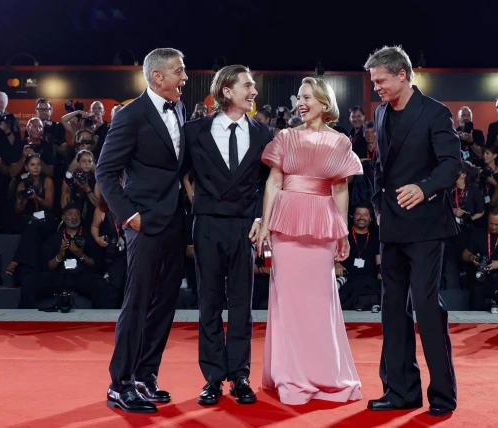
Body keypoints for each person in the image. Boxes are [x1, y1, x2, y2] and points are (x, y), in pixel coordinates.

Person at [364, 46, 460, 417]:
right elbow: (380, 167)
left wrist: (425, 187)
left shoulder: (435, 112)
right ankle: (400, 391)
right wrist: (377, 208)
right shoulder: (381, 113)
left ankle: (442, 395)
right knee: (392, 311)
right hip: (391, 226)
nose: (377, 89)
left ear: (402, 75)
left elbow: (452, 164)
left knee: (425, 307)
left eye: (381, 81)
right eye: (374, 83)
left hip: (426, 226)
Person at [256, 77, 363, 405]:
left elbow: (341, 189)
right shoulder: (285, 137)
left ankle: (324, 374)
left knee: (319, 303)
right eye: (298, 98)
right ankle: (291, 376)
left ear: (323, 101)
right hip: (286, 224)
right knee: (287, 303)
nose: (300, 103)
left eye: (306, 97)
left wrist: (342, 231)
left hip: (322, 225)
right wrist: (265, 226)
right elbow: (274, 182)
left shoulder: (341, 142)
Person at [96, 47, 188, 413]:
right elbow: (104, 171)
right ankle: (120, 383)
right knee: (137, 304)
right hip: (144, 224)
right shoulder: (131, 115)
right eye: (179, 72)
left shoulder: (179, 107)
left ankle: (145, 375)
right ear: (156, 77)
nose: (185, 78)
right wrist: (129, 216)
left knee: (165, 303)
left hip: (175, 222)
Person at [184, 65, 273, 406]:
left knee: (241, 305)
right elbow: (179, 175)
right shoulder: (194, 132)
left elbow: (272, 183)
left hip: (243, 227)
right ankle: (212, 378)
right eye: (248, 85)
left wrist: (262, 217)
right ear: (226, 91)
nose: (253, 92)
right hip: (206, 224)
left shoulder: (264, 134)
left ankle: (240, 375)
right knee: (209, 302)